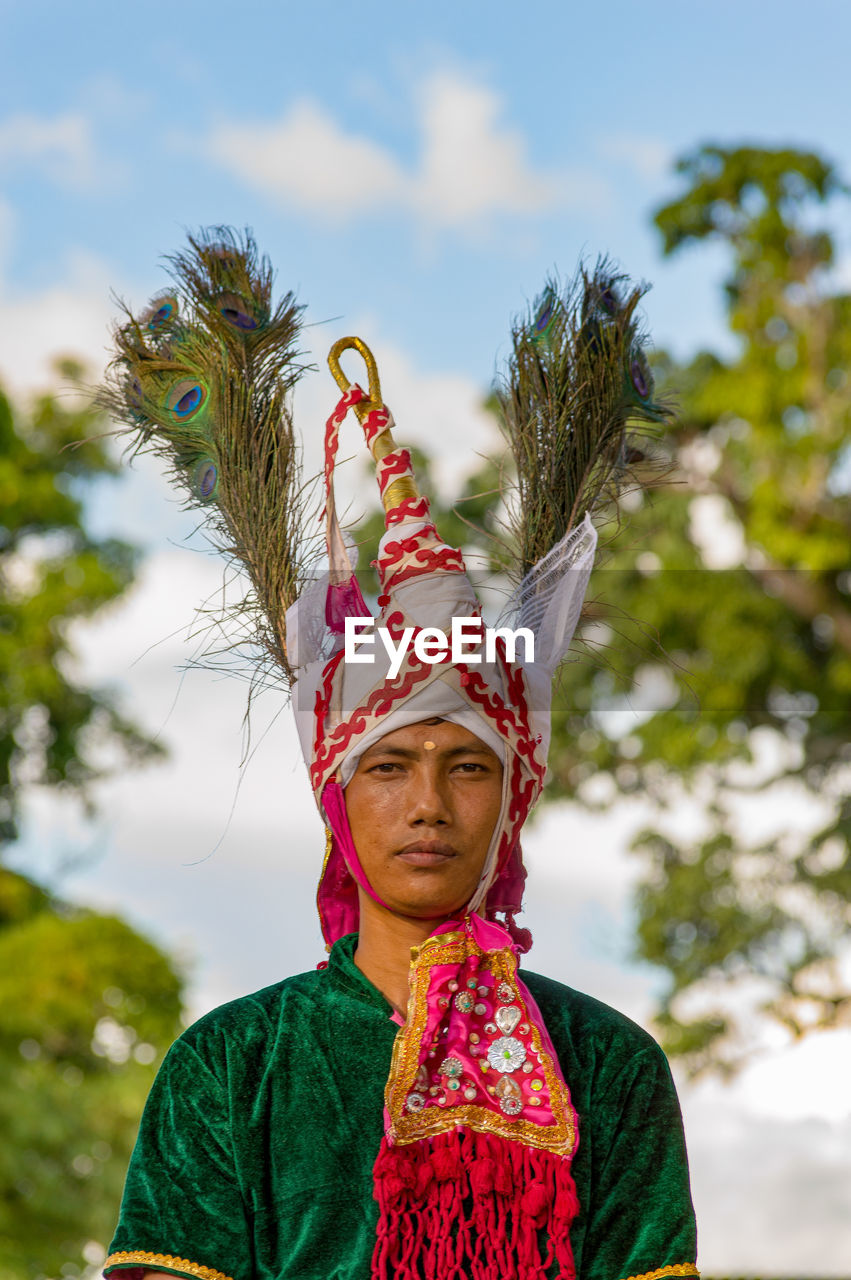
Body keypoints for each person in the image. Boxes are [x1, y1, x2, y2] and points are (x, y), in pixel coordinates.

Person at [100, 241, 699, 1280]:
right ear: (336, 797)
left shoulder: (604, 1064)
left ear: (511, 798)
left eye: (467, 766)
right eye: (388, 765)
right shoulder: (234, 1062)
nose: (427, 801)